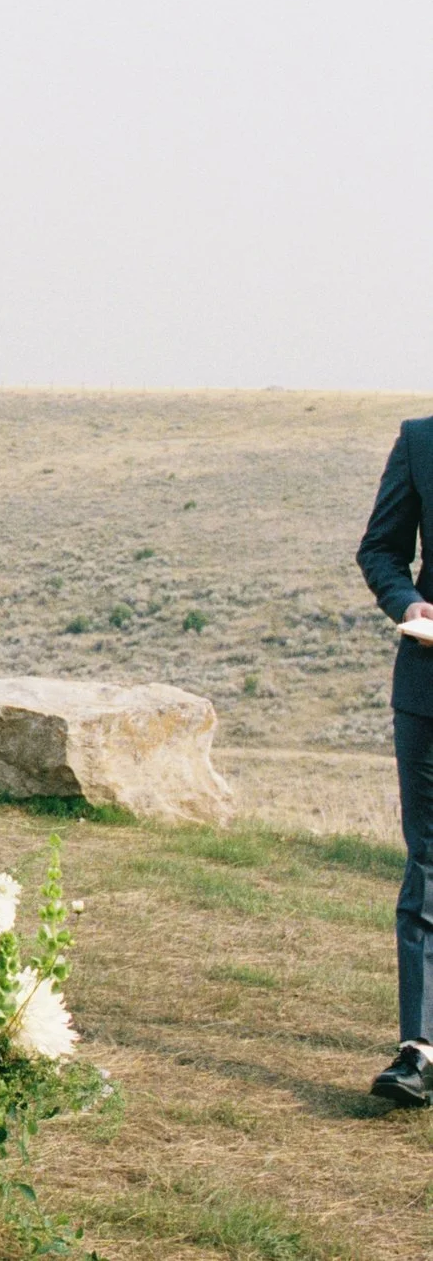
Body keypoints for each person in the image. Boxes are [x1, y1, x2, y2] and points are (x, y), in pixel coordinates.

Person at [360, 411, 433, 1107]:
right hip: (428, 690)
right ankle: (419, 1049)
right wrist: (410, 604)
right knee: (429, 863)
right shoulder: (421, 441)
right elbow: (380, 550)